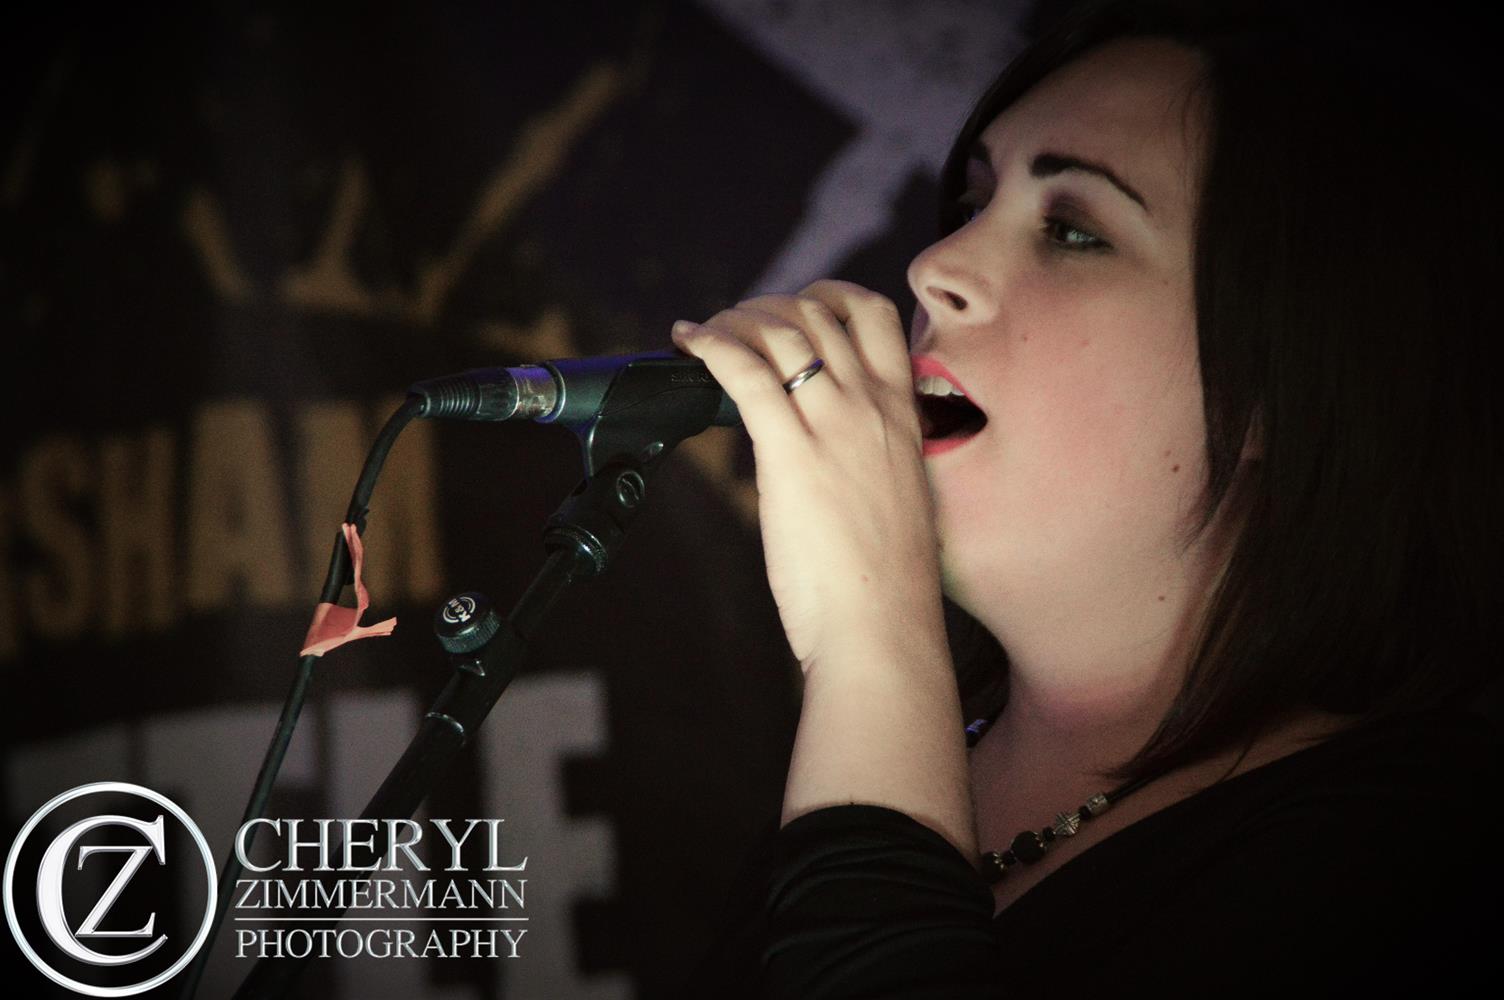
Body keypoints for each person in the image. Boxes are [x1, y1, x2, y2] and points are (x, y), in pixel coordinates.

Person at [670, 0, 1501, 994]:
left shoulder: (1408, 855)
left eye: (1071, 230)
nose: (934, 267)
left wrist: (870, 634)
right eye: (973, 202)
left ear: (1291, 381)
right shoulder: (911, 736)